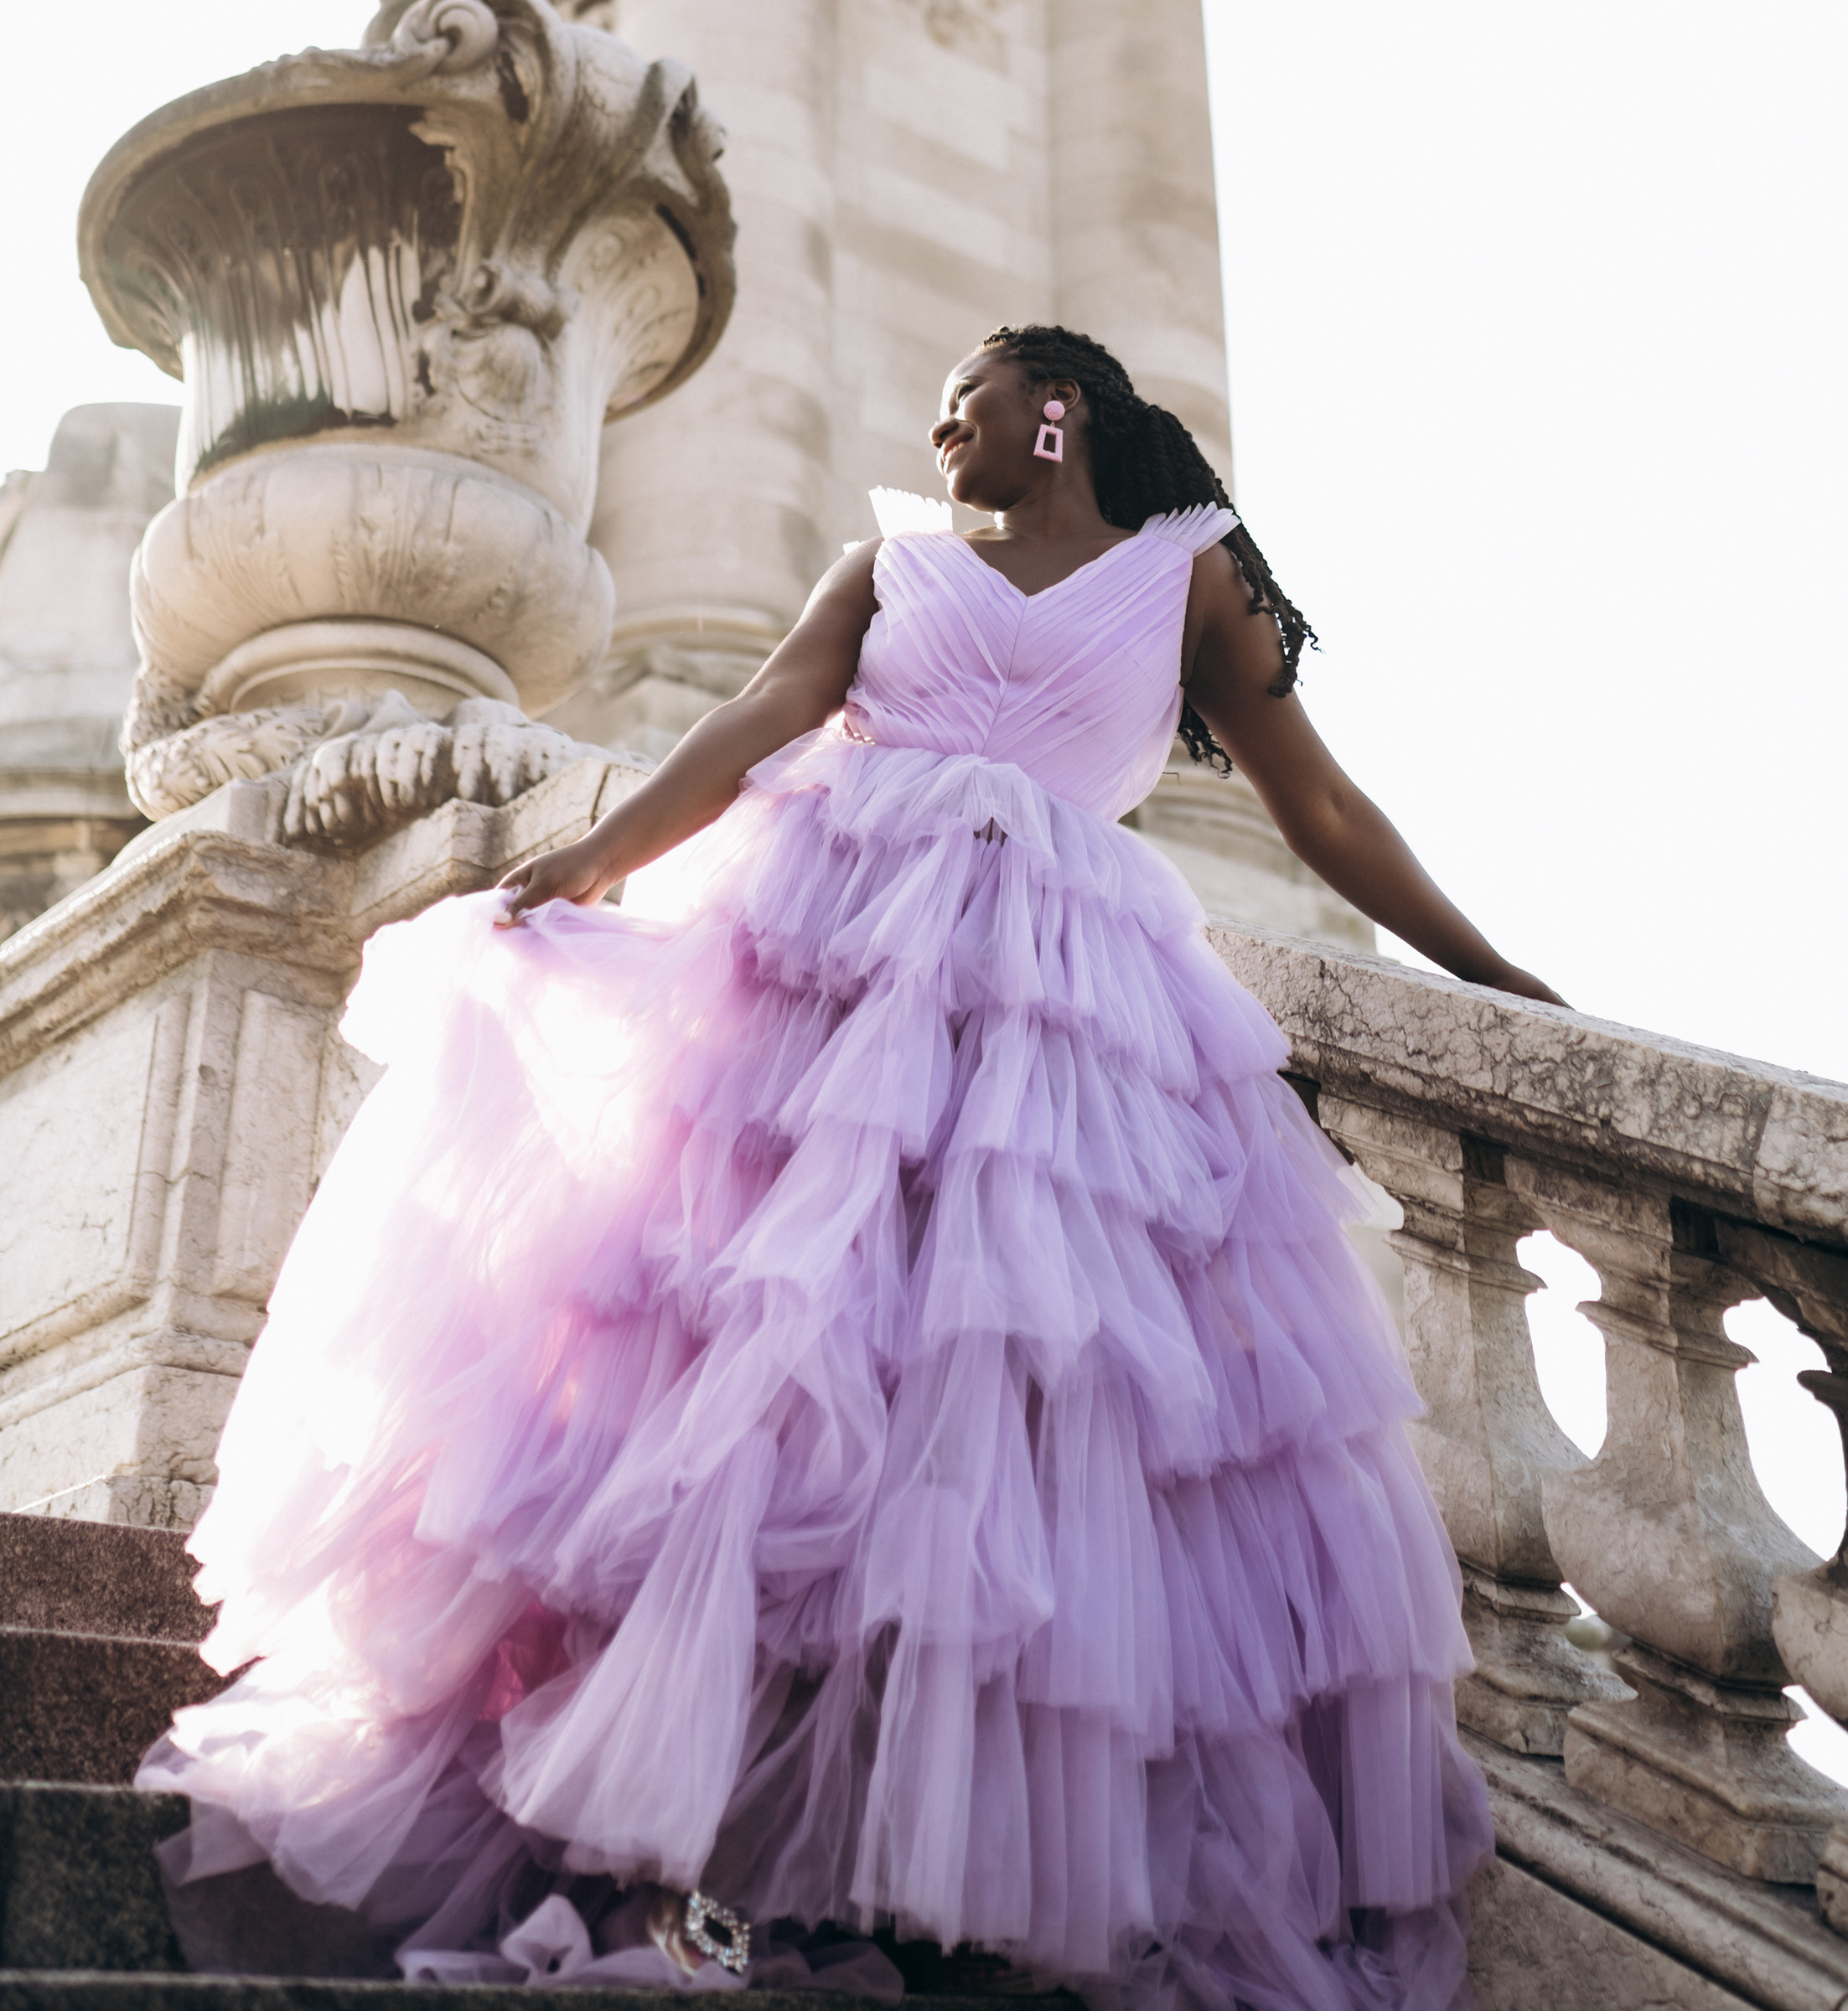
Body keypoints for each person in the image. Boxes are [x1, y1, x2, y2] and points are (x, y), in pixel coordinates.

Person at [142, 323, 1562, 2007]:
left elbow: (1315, 805)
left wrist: (1488, 977)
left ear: (1055, 415)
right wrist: (598, 854)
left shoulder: (1191, 577)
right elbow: (760, 717)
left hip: (1065, 1021)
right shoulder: (887, 558)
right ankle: (713, 1866)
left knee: (999, 1442)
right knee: (766, 1415)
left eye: (959, 401)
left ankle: (913, 1873)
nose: (936, 427)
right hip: (819, 976)